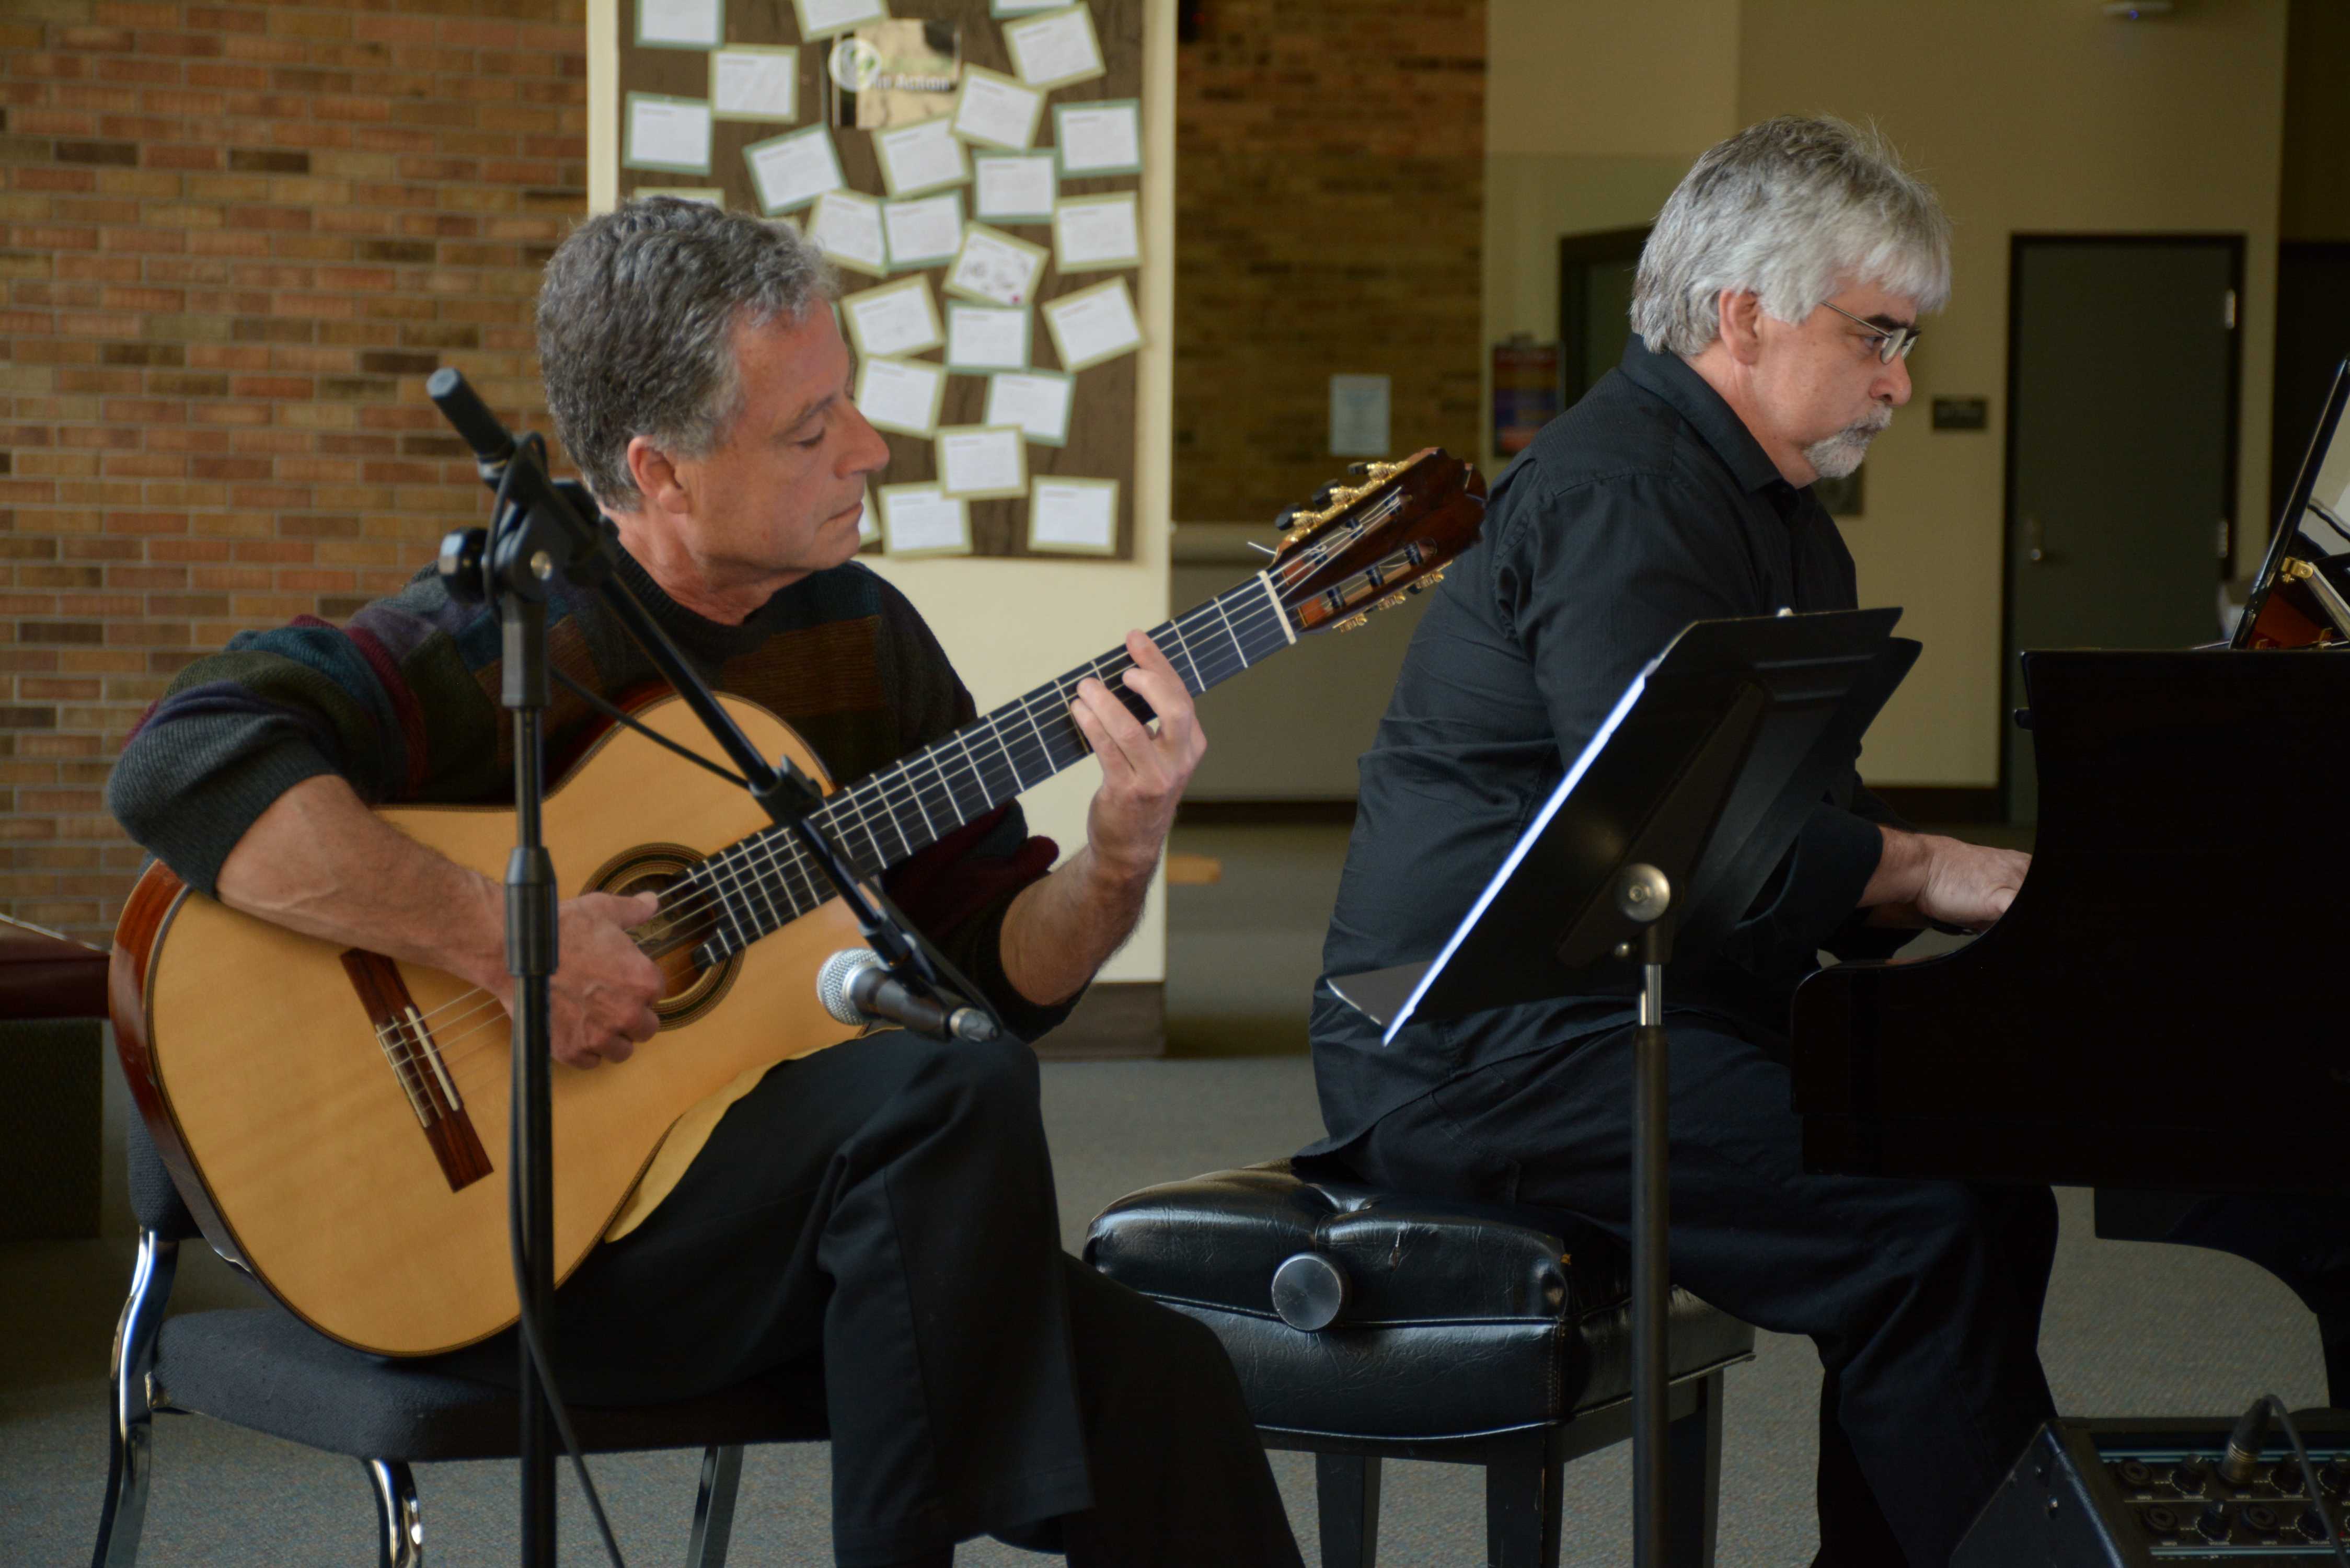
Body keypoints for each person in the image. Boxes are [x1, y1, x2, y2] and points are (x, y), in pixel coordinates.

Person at [108, 198, 1302, 1568]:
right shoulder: (520, 636)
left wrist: (1115, 859)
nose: (871, 448)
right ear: (659, 474)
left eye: (851, 398)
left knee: (1169, 1386)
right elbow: (181, 761)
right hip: (508, 1243)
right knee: (946, 1099)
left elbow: (984, 975)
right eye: (812, 430)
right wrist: (505, 938)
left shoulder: (863, 635)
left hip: (773, 1222)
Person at [1300, 118, 2054, 1566]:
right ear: (1745, 312)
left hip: (1640, 1002)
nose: (1900, 383)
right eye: (1878, 335)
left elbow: (1791, 833)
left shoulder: (1772, 514)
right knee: (1920, 1230)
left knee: (1987, 1178)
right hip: (1486, 1048)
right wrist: (1932, 872)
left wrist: (1929, 896)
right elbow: (1676, 833)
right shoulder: (1624, 491)